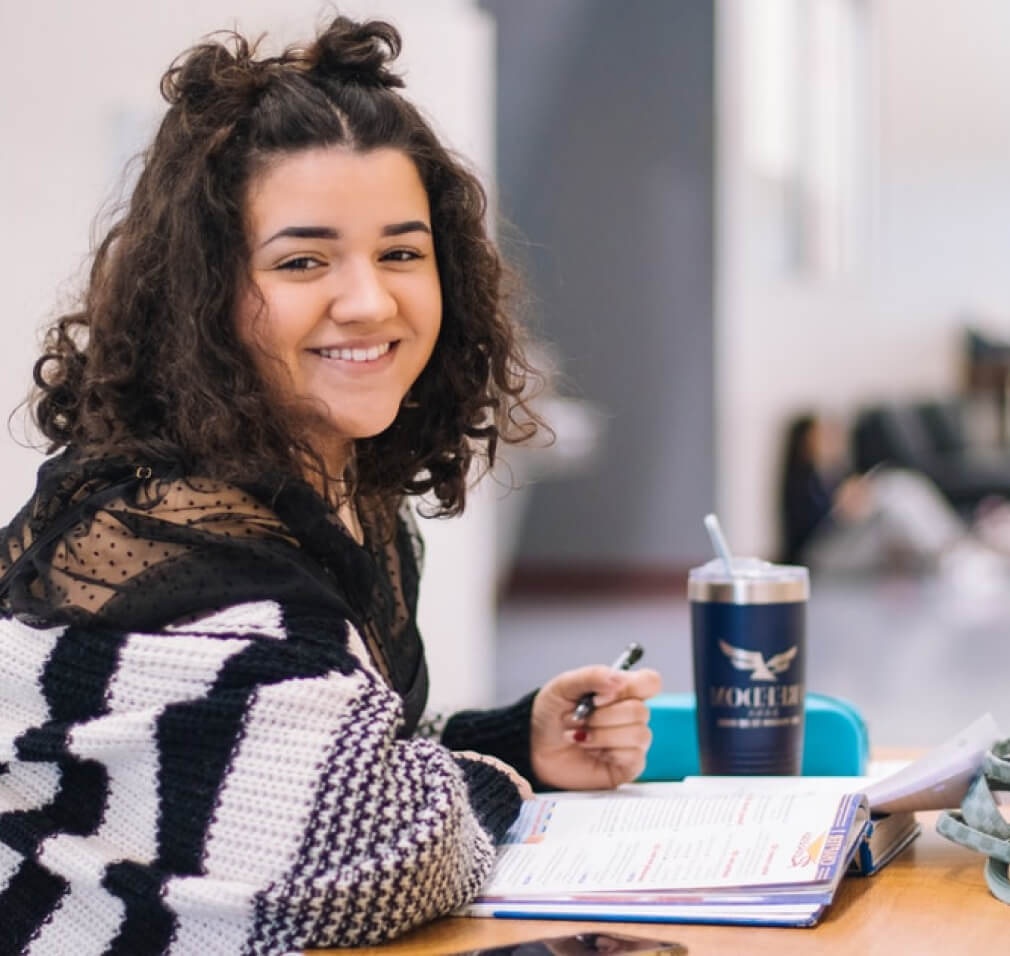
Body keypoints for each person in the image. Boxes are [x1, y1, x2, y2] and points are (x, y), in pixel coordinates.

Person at [0, 17, 660, 953]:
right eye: (302, 261)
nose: (368, 300)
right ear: (206, 296)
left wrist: (516, 738)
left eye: (401, 252)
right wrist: (498, 777)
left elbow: (301, 738)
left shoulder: (342, 496)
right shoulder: (186, 547)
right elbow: (381, 861)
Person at [778, 413, 1006, 578]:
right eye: (822, 436)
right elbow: (811, 529)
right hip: (823, 554)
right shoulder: (802, 483)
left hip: (849, 540)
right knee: (894, 494)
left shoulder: (835, 474)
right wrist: (841, 510)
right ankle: (953, 550)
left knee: (901, 488)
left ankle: (954, 546)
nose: (831, 441)